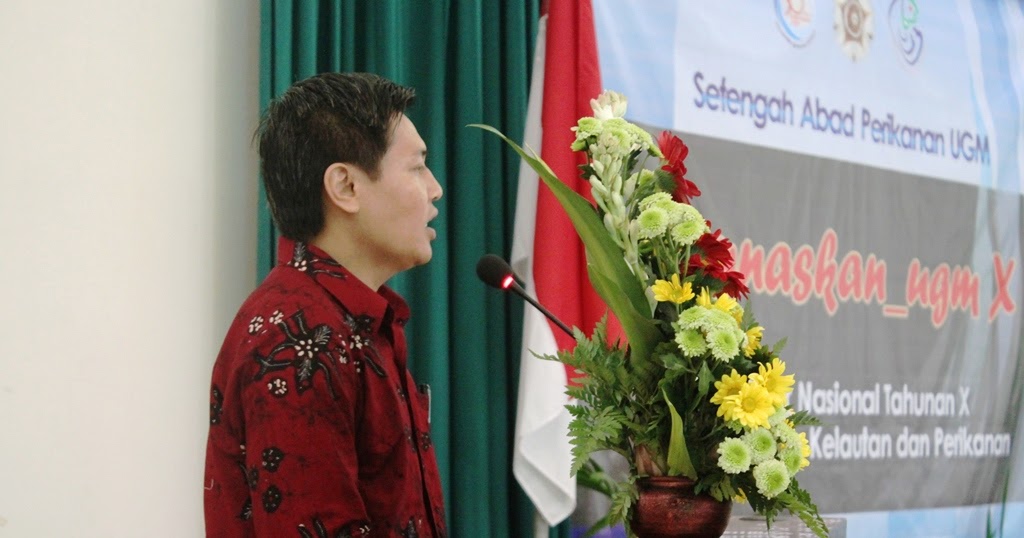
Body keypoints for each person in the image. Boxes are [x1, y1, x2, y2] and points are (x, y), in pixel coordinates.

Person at [204, 72, 446, 537]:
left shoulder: (351, 322)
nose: (434, 189)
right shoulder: (297, 340)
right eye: (417, 168)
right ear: (346, 187)